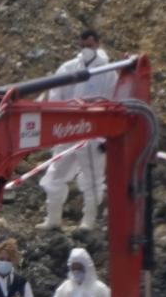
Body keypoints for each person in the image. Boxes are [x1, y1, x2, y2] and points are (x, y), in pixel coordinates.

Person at [37, 30, 119, 231]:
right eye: (83, 45)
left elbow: (114, 103)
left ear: (98, 45)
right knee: (55, 174)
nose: (86, 49)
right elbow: (55, 97)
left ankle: (88, 222)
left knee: (92, 179)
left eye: (90, 45)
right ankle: (53, 219)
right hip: (68, 131)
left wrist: (106, 137)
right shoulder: (68, 68)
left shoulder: (108, 72)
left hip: (93, 134)